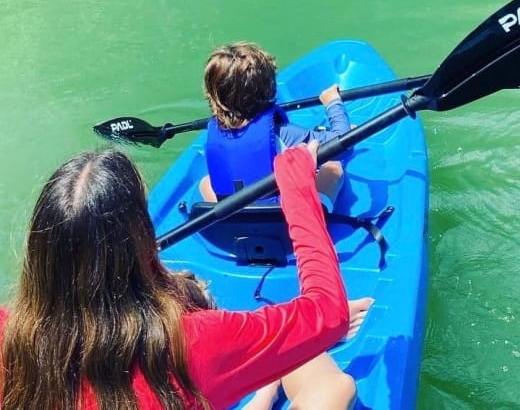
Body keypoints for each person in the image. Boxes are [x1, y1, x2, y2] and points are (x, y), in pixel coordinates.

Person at [0, 144, 373, 410]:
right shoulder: (191, 340)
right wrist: (297, 189)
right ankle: (266, 380)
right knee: (332, 386)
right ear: (141, 239)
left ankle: (263, 388)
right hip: (205, 353)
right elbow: (329, 311)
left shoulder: (8, 333)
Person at [199, 42, 351, 209]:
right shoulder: (286, 134)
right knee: (333, 167)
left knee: (206, 182)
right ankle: (322, 212)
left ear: (213, 94)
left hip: (232, 218)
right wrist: (333, 103)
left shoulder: (215, 132)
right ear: (270, 88)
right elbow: (343, 144)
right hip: (282, 219)